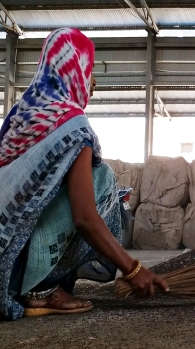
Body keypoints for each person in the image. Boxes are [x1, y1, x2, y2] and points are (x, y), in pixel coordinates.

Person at [0, 28, 168, 320]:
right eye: (88, 70)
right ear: (72, 72)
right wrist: (133, 269)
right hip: (11, 275)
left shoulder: (20, 114)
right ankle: (42, 289)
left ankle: (36, 282)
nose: (93, 82)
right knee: (103, 181)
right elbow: (85, 218)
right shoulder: (73, 127)